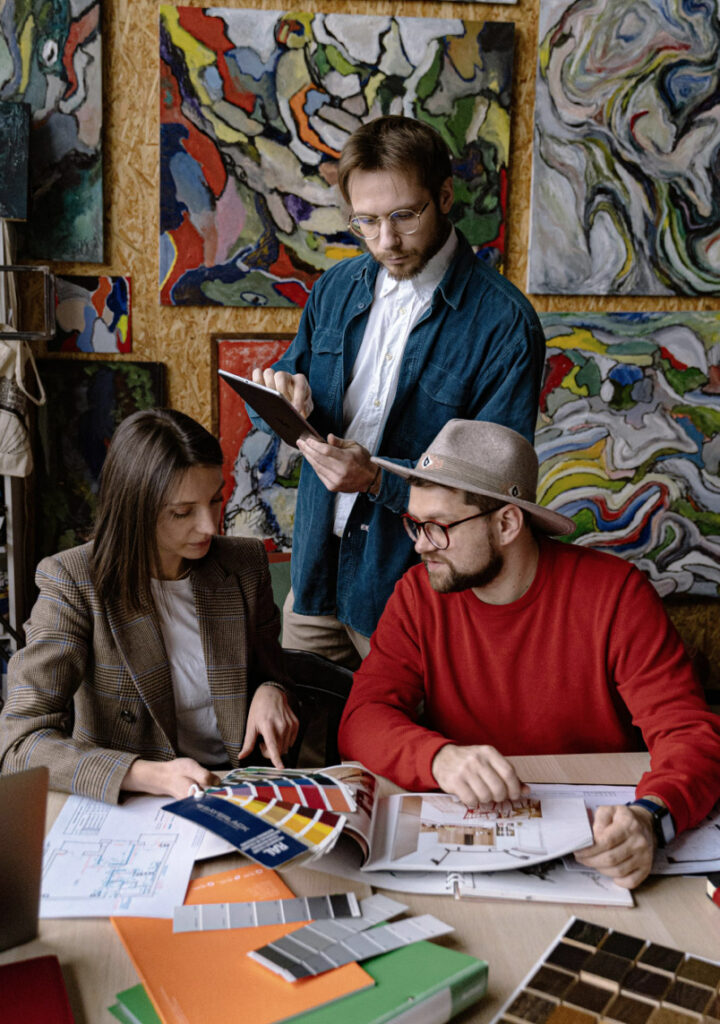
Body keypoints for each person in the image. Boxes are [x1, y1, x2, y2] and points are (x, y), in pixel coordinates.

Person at [338, 419, 720, 888]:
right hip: (472, 841)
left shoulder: (616, 594)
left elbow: (689, 733)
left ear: (506, 524)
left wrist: (651, 818)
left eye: (437, 527)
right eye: (414, 524)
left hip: (597, 842)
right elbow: (362, 718)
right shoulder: (417, 596)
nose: (420, 546)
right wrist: (438, 758)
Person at [250, 115, 546, 666]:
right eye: (365, 221)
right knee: (301, 717)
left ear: (445, 196)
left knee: (401, 724)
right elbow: (291, 382)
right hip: (314, 575)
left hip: (411, 590)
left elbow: (492, 488)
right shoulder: (335, 289)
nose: (385, 240)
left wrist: (375, 479)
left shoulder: (506, 325)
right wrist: (284, 392)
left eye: (404, 216)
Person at [0, 408, 298, 804]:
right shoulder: (73, 580)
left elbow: (273, 672)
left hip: (234, 789)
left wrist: (271, 689)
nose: (209, 526)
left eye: (215, 500)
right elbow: (19, 743)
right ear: (135, 507)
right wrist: (146, 774)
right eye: (182, 512)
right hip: (130, 798)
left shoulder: (244, 563)